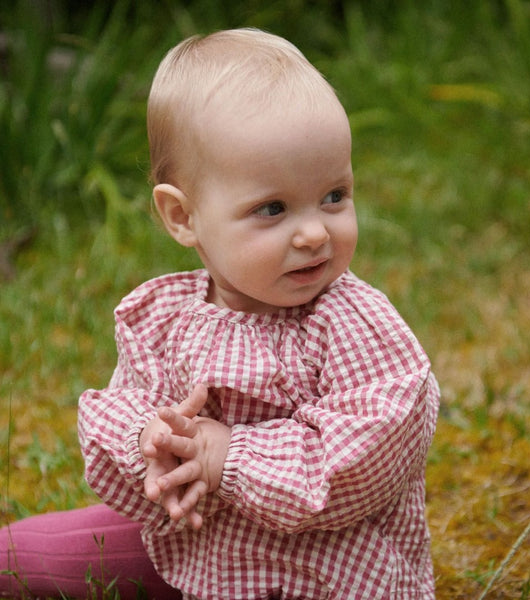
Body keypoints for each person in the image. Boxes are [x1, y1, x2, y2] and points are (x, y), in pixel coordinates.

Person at [2, 28, 439, 599]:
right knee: (18, 556)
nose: (313, 232)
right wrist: (152, 444)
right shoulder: (164, 318)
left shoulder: (350, 322)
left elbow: (366, 460)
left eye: (334, 195)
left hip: (323, 572)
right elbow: (119, 411)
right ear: (182, 217)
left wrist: (228, 454)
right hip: (196, 546)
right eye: (273, 209)